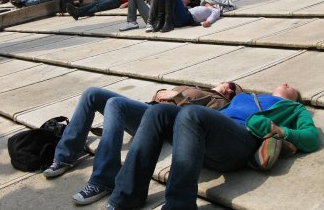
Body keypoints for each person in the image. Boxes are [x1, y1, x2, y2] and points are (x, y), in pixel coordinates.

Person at [106, 83, 320, 210]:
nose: (284, 83)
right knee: (157, 112)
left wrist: (282, 132)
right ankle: (126, 196)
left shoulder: (294, 108)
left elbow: (311, 138)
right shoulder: (245, 96)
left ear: (295, 97)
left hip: (241, 142)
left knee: (192, 114)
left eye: (290, 86)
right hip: (208, 137)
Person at [42, 82, 243, 206]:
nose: (228, 85)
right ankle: (65, 155)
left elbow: (195, 120)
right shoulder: (196, 87)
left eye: (232, 88)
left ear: (229, 93)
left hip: (159, 122)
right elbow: (160, 95)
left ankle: (103, 180)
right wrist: (162, 93)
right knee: (91, 92)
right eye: (228, 83)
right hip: (146, 109)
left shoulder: (218, 102)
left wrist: (176, 97)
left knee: (114, 104)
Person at [65, 0, 139, 20]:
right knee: (94, 3)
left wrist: (125, 4)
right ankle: (77, 11)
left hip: (117, 1)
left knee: (98, 7)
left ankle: (78, 13)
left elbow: (131, 2)